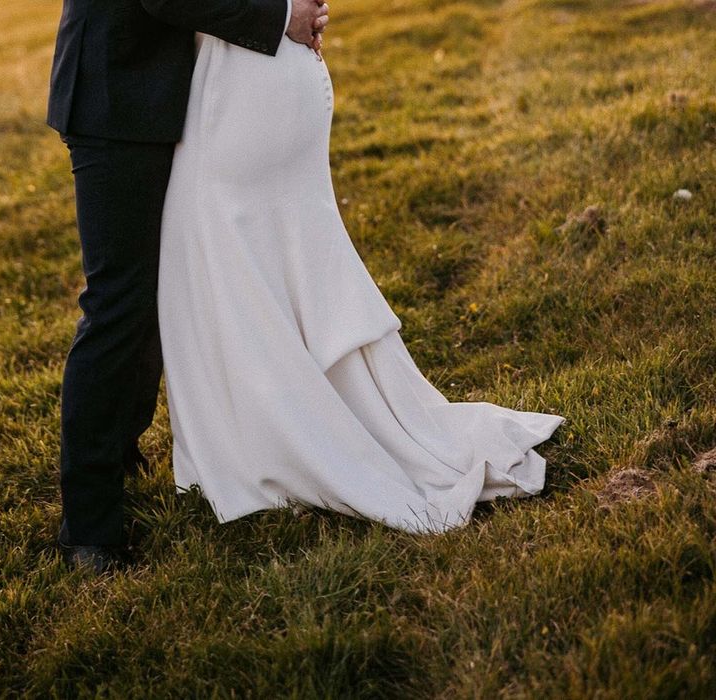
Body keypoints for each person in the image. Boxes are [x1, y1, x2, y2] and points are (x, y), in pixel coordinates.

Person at [157, 7, 565, 535]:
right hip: (273, 73)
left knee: (231, 266)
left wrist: (282, 12)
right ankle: (324, 420)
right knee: (275, 265)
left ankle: (275, 442)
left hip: (245, 85)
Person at [47, 0, 330, 574]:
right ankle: (89, 530)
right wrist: (279, 17)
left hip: (150, 92)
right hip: (115, 99)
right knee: (117, 304)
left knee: (153, 292)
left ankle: (120, 446)